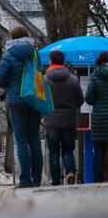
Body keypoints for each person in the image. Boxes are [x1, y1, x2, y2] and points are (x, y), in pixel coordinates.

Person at [0, 25, 42, 188]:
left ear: (13, 37)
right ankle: (37, 179)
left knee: (21, 141)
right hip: (34, 100)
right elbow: (39, 74)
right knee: (34, 140)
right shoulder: (35, 53)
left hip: (16, 101)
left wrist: (9, 85)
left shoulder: (9, 53)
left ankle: (25, 180)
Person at [42, 49, 84, 185]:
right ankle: (70, 173)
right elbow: (80, 100)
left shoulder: (45, 79)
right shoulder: (72, 79)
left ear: (51, 62)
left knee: (53, 153)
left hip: (51, 121)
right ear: (63, 62)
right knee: (68, 150)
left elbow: (41, 100)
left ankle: (55, 181)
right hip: (68, 121)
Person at [86, 51, 108, 183]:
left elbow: (89, 99)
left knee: (99, 151)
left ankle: (97, 180)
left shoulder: (94, 76)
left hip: (99, 119)